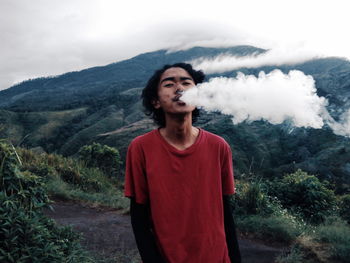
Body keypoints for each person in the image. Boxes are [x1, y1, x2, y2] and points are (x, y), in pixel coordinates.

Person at [124, 63, 241, 263]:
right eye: (169, 84)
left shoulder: (218, 146)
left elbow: (225, 212)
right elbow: (139, 218)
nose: (179, 89)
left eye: (187, 83)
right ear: (156, 101)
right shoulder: (140, 148)